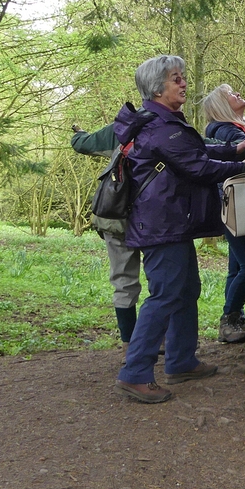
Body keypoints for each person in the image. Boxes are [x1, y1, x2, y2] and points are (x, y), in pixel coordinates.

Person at [114, 55, 245, 404]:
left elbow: (196, 149)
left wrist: (234, 150)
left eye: (183, 77)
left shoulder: (166, 123)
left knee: (186, 290)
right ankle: (135, 373)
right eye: (176, 79)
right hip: (162, 226)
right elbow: (198, 167)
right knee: (164, 296)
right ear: (158, 87)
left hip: (171, 223)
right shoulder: (161, 128)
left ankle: (181, 361)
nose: (184, 83)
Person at [70, 122, 142, 364]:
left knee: (124, 281)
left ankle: (129, 345)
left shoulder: (121, 128)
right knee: (163, 284)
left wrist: (79, 134)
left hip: (115, 218)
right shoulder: (171, 127)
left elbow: (83, 144)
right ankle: (159, 339)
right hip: (155, 223)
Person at [203, 84, 245, 344]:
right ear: (222, 106)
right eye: (231, 95)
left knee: (237, 266)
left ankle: (233, 321)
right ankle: (229, 319)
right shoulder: (225, 131)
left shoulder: (237, 127)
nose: (238, 95)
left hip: (234, 204)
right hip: (234, 205)